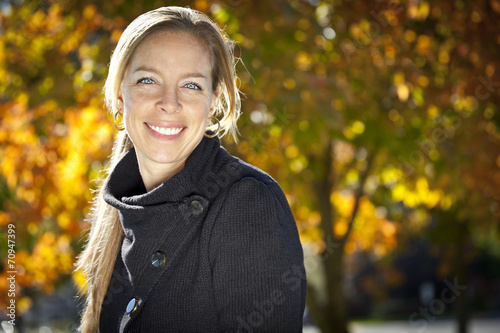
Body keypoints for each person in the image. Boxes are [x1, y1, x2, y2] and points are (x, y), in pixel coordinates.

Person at [76, 6, 306, 333]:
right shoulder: (118, 215)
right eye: (148, 80)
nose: (169, 103)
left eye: (191, 86)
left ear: (212, 102)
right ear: (120, 96)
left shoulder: (249, 204)